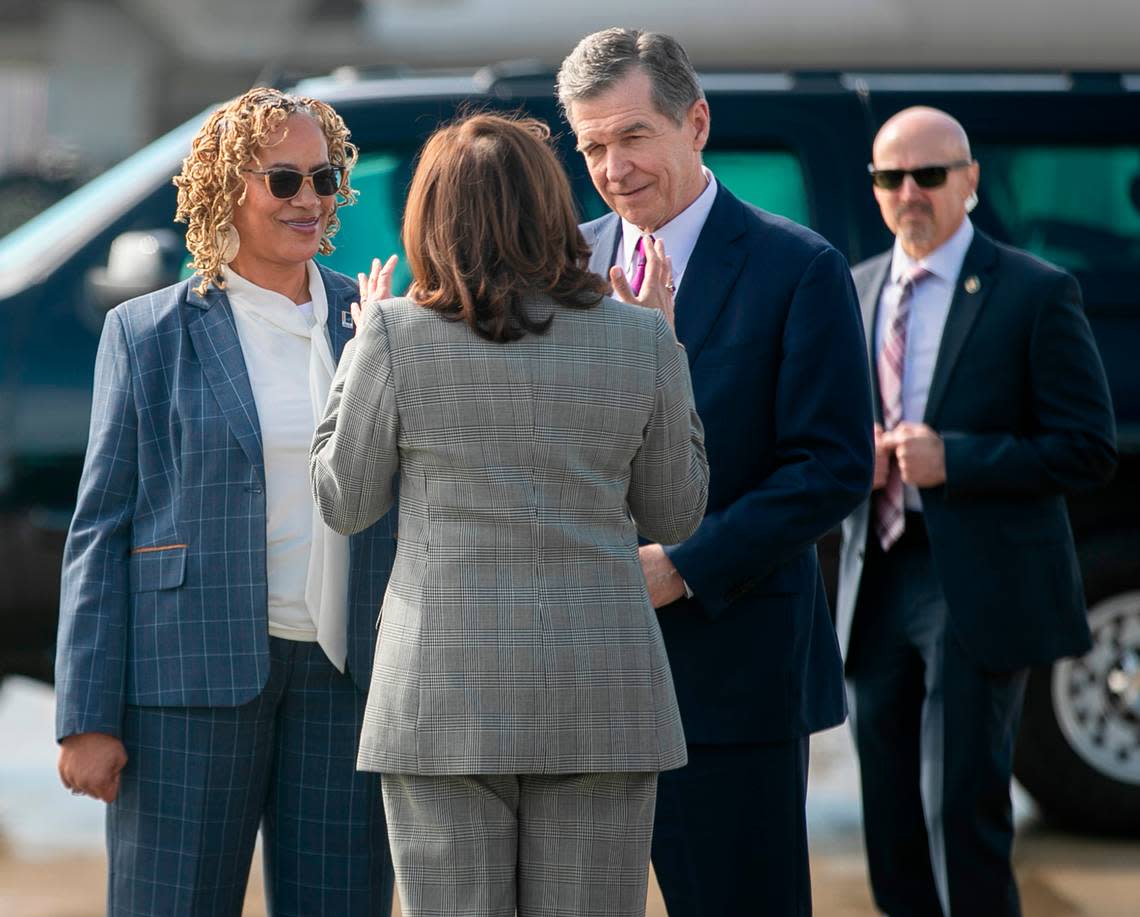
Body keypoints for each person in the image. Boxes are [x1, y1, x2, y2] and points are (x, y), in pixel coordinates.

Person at [310, 111, 708, 917]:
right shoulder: (639, 338)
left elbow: (343, 501)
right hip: (601, 693)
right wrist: (669, 345)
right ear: (551, 207)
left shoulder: (393, 333)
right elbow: (677, 511)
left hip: (440, 698)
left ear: (431, 214)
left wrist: (356, 355)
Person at [54, 87, 396, 916]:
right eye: (284, 181)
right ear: (223, 187)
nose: (310, 198)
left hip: (349, 678)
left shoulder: (379, 319)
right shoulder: (147, 332)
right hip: (187, 679)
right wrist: (85, 714)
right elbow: (101, 526)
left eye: (325, 176)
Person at [557, 27, 875, 916]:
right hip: (572, 674)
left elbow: (833, 466)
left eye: (631, 136)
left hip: (733, 674)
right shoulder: (560, 265)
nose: (612, 167)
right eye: (591, 146)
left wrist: (681, 568)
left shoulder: (798, 267)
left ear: (694, 122)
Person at [835, 106, 1117, 916]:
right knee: (887, 814)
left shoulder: (1034, 290)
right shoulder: (853, 289)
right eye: (892, 177)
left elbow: (1086, 447)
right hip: (875, 572)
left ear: (971, 181)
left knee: (959, 808)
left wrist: (954, 458)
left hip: (977, 580)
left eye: (930, 174)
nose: (910, 191)